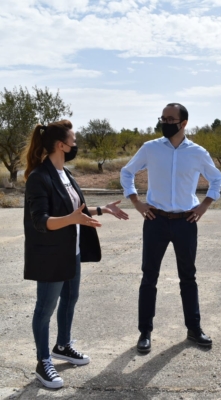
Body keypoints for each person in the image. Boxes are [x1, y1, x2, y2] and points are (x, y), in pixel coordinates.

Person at [24, 120, 129, 389]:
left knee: (70, 300)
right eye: (73, 140)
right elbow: (42, 221)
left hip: (72, 252)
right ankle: (43, 361)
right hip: (50, 255)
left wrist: (102, 209)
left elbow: (75, 212)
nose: (75, 144)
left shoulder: (65, 173)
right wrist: (71, 219)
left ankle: (63, 345)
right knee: (45, 310)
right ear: (61, 145)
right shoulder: (39, 177)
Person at [120, 103, 221, 353]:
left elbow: (216, 178)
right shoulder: (151, 148)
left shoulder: (197, 152)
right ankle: (144, 332)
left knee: (188, 277)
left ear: (183, 123)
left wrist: (205, 205)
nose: (165, 122)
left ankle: (194, 329)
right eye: (163, 118)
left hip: (186, 222)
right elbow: (127, 172)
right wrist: (136, 202)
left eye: (170, 118)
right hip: (155, 220)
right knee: (149, 277)